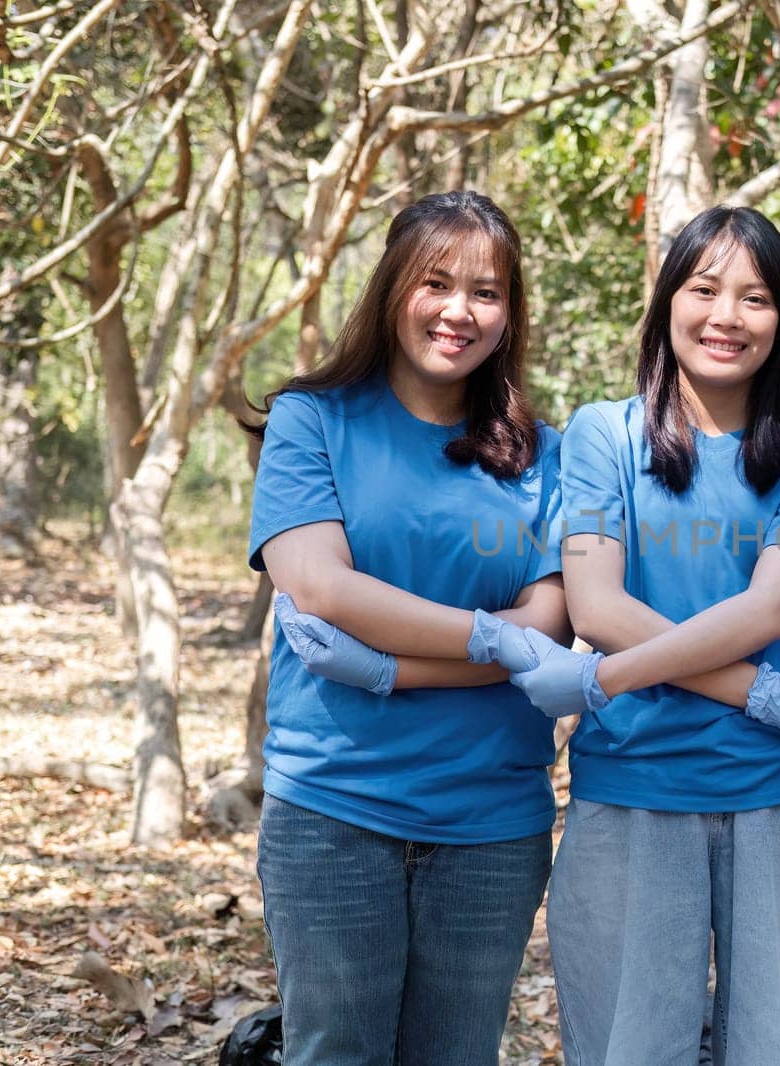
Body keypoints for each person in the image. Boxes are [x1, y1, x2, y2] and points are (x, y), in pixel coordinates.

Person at [496, 205, 780, 1065]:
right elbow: (596, 608)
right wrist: (768, 695)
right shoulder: (603, 433)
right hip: (632, 790)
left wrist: (607, 678)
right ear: (667, 303)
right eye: (704, 289)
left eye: (756, 297)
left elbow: (767, 613)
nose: (727, 316)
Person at [245, 191, 570, 1066]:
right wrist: (492, 638)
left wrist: (391, 670)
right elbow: (320, 586)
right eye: (436, 282)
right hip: (335, 804)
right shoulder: (310, 421)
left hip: (493, 819)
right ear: (393, 288)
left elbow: (546, 626)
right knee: (333, 1053)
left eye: (487, 291)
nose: (459, 310)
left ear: (511, 313)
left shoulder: (545, 453)